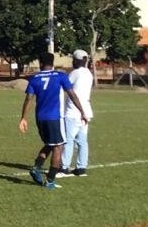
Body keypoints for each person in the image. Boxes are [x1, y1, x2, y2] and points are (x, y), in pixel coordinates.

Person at [19, 51, 88, 189]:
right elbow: (73, 95)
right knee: (59, 146)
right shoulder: (60, 76)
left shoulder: (34, 78)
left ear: (40, 63)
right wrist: (82, 111)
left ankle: (36, 167)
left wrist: (23, 118)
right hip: (55, 118)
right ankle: (50, 180)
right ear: (52, 63)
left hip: (40, 118)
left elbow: (28, 99)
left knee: (50, 144)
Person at [58, 49, 95, 178]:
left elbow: (64, 86)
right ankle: (81, 168)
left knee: (68, 140)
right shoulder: (89, 73)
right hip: (86, 111)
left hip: (73, 111)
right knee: (82, 141)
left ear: (77, 60)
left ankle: (64, 168)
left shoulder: (75, 73)